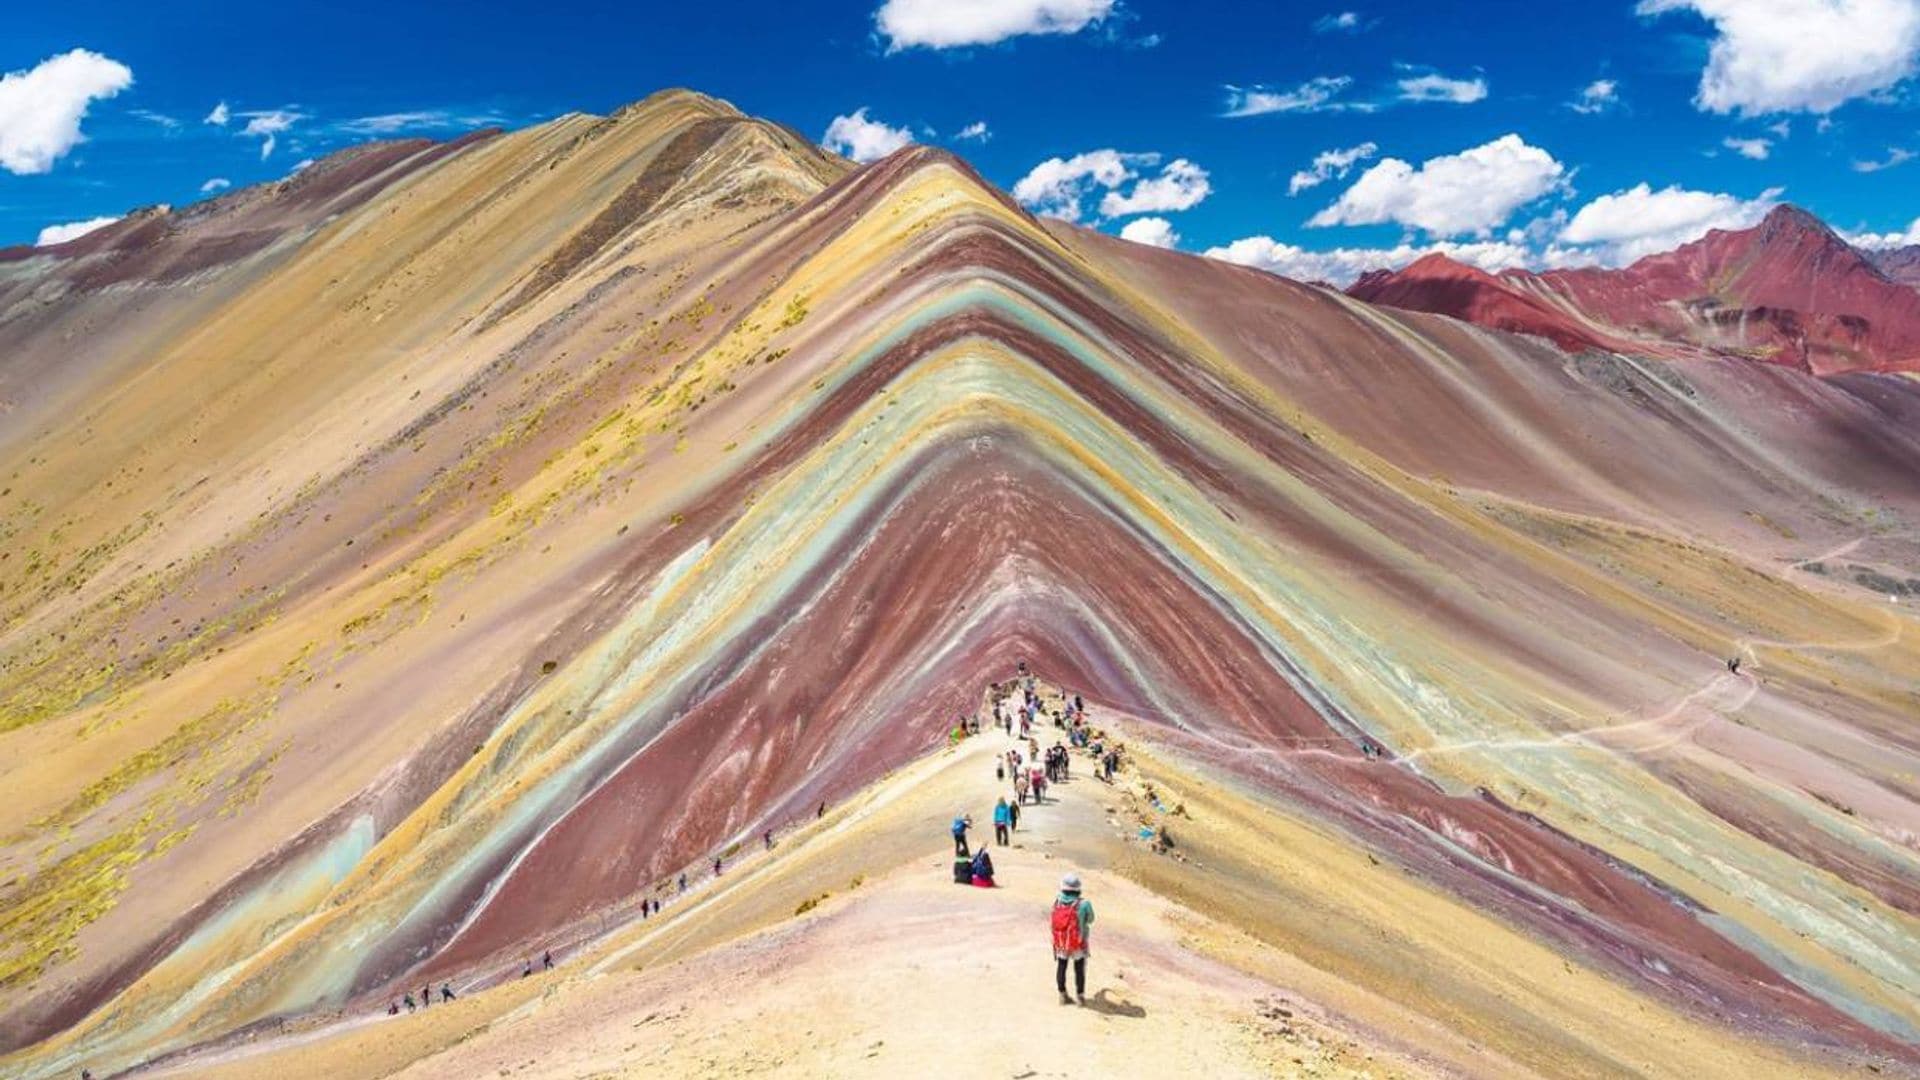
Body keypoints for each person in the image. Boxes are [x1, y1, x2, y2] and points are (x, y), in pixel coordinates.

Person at [1051, 873, 1095, 1005]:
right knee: (1079, 969)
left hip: (1061, 940)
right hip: (1078, 942)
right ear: (1078, 889)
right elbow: (1091, 919)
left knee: (1062, 966)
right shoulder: (1084, 903)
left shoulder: (1057, 900)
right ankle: (1080, 997)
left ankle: (1062, 995)